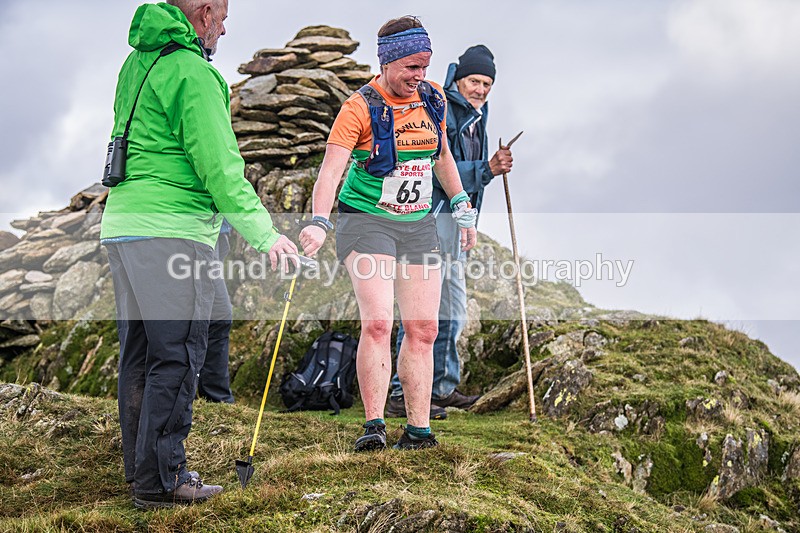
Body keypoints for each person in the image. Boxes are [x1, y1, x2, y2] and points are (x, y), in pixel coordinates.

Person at [100, 0, 297, 509]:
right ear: (204, 12)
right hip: (172, 231)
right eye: (224, 15)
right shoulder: (193, 71)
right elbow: (220, 165)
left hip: (123, 227)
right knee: (178, 355)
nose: (227, 27)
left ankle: (140, 470)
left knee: (140, 357)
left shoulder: (138, 62)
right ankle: (162, 482)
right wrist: (265, 233)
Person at [299, 16, 478, 451]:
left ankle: (419, 431)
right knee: (378, 323)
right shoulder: (358, 108)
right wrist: (320, 221)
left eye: (425, 66)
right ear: (387, 62)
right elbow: (330, 173)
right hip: (366, 220)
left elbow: (442, 158)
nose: (420, 76)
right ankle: (374, 426)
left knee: (424, 329)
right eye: (411, 67)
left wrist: (460, 204)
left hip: (417, 222)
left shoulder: (433, 98)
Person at [387, 45, 513, 418]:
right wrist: (487, 168)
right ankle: (400, 393)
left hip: (456, 226)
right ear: (459, 78)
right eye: (475, 80)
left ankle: (439, 388)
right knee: (420, 308)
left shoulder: (477, 115)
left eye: (487, 83)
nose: (481, 89)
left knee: (452, 311)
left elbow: (469, 174)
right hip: (431, 219)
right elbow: (441, 167)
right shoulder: (442, 110)